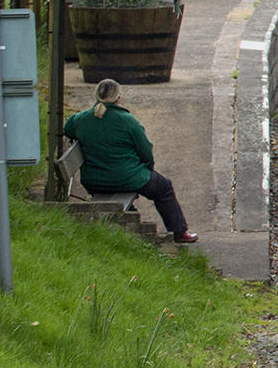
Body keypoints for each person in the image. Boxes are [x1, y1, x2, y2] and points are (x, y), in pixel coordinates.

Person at [64, 79, 196, 244]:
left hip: (94, 182)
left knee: (150, 186)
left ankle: (131, 217)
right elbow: (145, 150)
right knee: (163, 187)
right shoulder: (127, 120)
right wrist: (147, 169)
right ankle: (179, 233)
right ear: (118, 98)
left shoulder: (80, 119)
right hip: (128, 178)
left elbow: (67, 128)